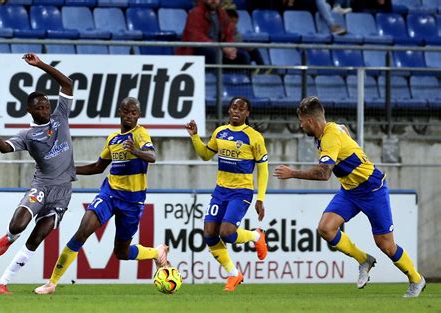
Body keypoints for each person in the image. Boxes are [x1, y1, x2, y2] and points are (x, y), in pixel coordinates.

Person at [273, 96, 426, 298]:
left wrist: (293, 173)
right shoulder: (332, 129)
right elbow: (344, 130)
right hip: (350, 191)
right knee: (325, 228)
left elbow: (324, 174)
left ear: (310, 121)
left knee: (386, 245)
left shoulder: (329, 138)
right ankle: (364, 260)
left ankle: (416, 279)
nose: (300, 126)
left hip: (372, 190)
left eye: (301, 122)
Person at [34, 97, 169, 295]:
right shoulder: (113, 138)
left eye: (134, 113)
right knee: (82, 232)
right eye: (126, 112)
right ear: (120, 112)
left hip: (132, 201)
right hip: (110, 193)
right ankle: (52, 283)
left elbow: (153, 157)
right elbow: (98, 167)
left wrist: (137, 151)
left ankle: (156, 253)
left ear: (138, 116)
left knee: (122, 252)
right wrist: (69, 171)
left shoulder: (140, 134)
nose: (129, 116)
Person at [0, 53, 75, 295]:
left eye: (47, 105)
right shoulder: (27, 135)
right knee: (19, 224)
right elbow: (5, 149)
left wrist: (41, 65)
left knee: (37, 237)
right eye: (40, 107)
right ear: (30, 110)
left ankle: (1, 283)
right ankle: (10, 236)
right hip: (42, 187)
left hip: (62, 193)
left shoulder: (60, 116)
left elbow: (67, 84)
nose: (46, 109)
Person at [185, 96, 269, 292]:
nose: (236, 111)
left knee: (227, 233)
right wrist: (195, 136)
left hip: (241, 192)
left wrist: (261, 198)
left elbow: (263, 169)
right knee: (209, 234)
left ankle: (256, 236)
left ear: (247, 113)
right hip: (220, 191)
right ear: (229, 110)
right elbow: (206, 156)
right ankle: (233, 273)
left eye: (241, 109)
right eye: (233, 107)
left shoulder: (254, 137)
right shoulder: (220, 132)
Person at [176, 0, 251, 65]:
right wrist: (221, 47)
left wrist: (230, 48)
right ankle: (212, 79)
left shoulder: (222, 14)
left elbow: (229, 35)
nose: (213, 0)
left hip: (218, 50)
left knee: (243, 56)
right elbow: (196, 38)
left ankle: (242, 80)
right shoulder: (195, 13)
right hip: (197, 52)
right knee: (212, 52)